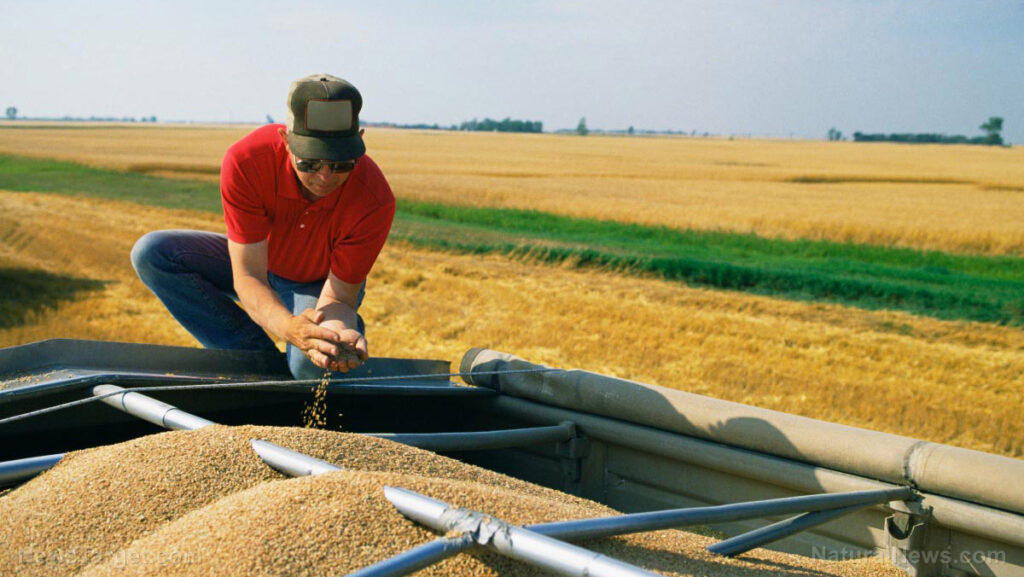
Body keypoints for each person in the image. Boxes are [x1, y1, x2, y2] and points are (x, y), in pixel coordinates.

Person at [131, 74, 395, 380]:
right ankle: (258, 364)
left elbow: (338, 299)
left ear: (359, 141)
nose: (325, 176)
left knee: (314, 364)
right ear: (285, 141)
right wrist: (289, 329)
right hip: (258, 262)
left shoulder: (374, 199)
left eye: (341, 164)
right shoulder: (247, 161)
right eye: (310, 163)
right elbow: (249, 276)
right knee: (153, 253)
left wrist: (334, 331)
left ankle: (287, 374)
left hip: (318, 285)